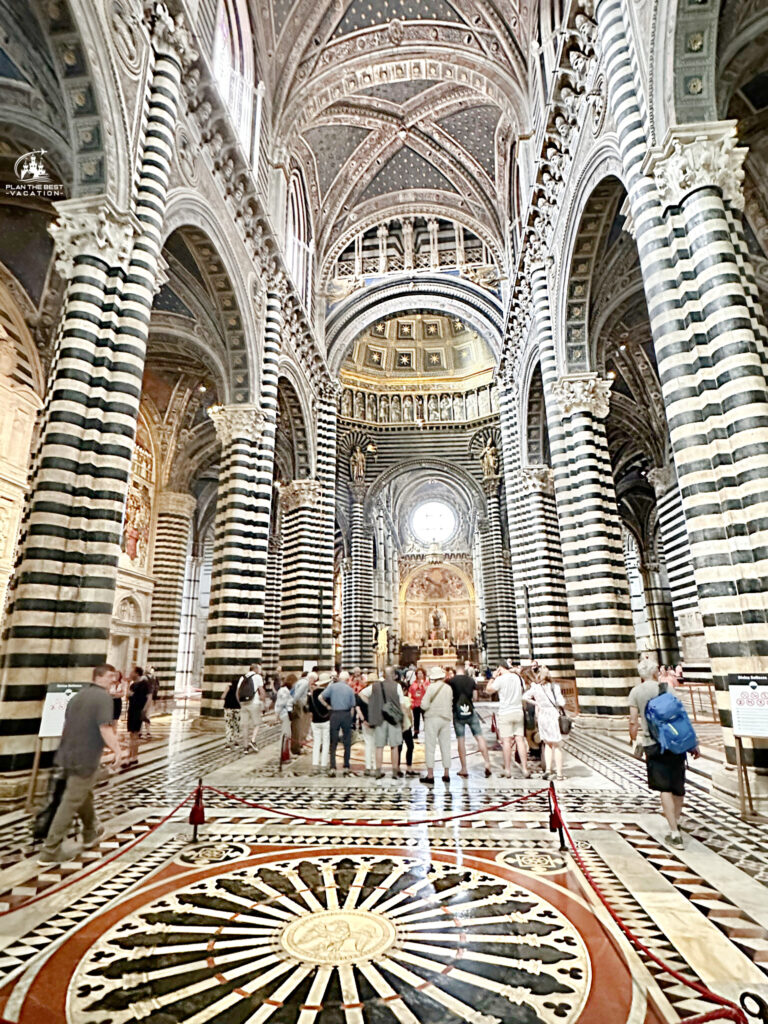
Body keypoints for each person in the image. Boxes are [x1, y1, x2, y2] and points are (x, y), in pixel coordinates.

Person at [38, 664, 124, 864]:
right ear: (100, 677)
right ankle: (50, 850)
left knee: (83, 794)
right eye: (111, 676)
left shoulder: (78, 696)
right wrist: (118, 750)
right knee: (70, 802)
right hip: (84, 759)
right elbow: (104, 728)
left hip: (66, 754)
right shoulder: (103, 698)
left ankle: (90, 832)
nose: (114, 680)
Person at [629, 656, 700, 849]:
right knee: (678, 785)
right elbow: (681, 715)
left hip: (653, 743)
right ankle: (675, 823)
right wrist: (694, 743)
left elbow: (633, 720)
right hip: (675, 742)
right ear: (655, 672)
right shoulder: (666, 688)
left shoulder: (636, 692)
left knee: (664, 788)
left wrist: (633, 739)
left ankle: (674, 831)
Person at [448, 664, 492, 778]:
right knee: (479, 736)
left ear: (456, 669)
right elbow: (476, 696)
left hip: (458, 712)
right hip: (471, 711)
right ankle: (487, 763)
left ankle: (464, 768)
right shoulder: (471, 680)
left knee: (461, 740)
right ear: (464, 669)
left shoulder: (451, 681)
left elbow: (449, 696)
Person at [487, 661, 530, 778]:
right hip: (518, 711)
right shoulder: (518, 678)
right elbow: (524, 689)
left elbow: (488, 689)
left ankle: (507, 770)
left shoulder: (500, 679)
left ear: (500, 668)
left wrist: (493, 677)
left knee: (506, 742)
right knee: (520, 740)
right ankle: (525, 769)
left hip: (506, 712)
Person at [527, 666, 566, 781]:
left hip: (542, 716)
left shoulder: (536, 687)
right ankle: (559, 773)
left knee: (548, 744)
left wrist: (537, 703)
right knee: (557, 745)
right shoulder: (554, 687)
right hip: (553, 715)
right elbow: (561, 702)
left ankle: (548, 770)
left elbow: (525, 696)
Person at [368, 666, 403, 780]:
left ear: (383, 675)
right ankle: (394, 772)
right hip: (393, 719)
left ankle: (378, 771)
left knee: (379, 746)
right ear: (394, 675)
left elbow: (363, 695)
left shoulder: (375, 686)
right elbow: (402, 704)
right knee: (394, 746)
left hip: (380, 718)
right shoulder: (397, 686)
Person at [420, 666, 453, 785]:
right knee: (446, 746)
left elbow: (424, 705)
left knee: (430, 746)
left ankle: (430, 774)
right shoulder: (448, 688)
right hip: (445, 719)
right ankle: (446, 773)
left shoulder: (431, 687)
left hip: (432, 718)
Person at [319, 672, 357, 776]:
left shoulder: (332, 687)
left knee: (333, 741)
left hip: (335, 714)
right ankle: (346, 766)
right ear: (347, 679)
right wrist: (351, 720)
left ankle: (332, 767)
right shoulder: (350, 689)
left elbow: (320, 697)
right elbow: (353, 707)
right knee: (347, 741)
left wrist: (327, 706)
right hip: (345, 714)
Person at [236, 663, 266, 752]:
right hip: (254, 703)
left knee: (245, 726)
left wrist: (240, 703)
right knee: (257, 723)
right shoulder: (258, 677)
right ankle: (253, 740)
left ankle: (245, 747)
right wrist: (264, 703)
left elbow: (237, 692)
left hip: (243, 704)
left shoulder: (242, 678)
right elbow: (261, 691)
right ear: (256, 669)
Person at [126, 667, 150, 766]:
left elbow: (149, 698)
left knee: (135, 735)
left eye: (132, 672)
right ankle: (130, 755)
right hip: (131, 710)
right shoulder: (132, 685)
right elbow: (128, 696)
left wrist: (144, 711)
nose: (130, 674)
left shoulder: (144, 684)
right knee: (132, 735)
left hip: (138, 711)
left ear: (137, 673)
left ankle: (134, 757)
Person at [308, 673, 331, 772]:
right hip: (326, 720)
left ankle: (315, 764)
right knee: (325, 743)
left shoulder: (312, 695)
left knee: (316, 743)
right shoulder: (327, 694)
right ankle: (324, 764)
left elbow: (309, 709)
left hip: (315, 721)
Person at [356, 678, 377, 775]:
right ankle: (376, 766)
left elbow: (358, 708)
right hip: (377, 723)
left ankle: (368, 767)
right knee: (376, 745)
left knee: (368, 745)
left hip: (366, 723)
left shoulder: (361, 696)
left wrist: (363, 720)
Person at [399, 680, 415, 773]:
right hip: (406, 725)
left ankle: (397, 767)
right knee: (410, 746)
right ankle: (409, 767)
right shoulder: (405, 699)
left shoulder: (394, 699)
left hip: (397, 725)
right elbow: (409, 713)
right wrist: (411, 722)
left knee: (398, 747)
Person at [408, 667, 428, 740]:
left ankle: (427, 731)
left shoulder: (426, 682)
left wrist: (423, 684)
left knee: (425, 718)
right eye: (418, 673)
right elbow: (410, 691)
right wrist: (410, 698)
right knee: (416, 718)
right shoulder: (414, 683)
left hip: (423, 702)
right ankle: (416, 732)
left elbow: (428, 691)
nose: (420, 675)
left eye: (421, 673)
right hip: (416, 703)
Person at [223, 677, 241, 749]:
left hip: (228, 708)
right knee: (237, 725)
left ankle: (228, 743)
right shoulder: (239, 689)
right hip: (237, 708)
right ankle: (236, 742)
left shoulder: (229, 687)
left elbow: (223, 696)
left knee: (229, 725)